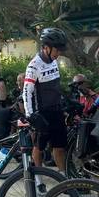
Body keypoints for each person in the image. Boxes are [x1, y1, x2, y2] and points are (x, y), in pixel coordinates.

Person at [22, 27, 68, 173]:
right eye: (57, 50)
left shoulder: (54, 61)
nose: (59, 53)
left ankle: (64, 179)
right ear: (46, 48)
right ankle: (38, 179)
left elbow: (55, 87)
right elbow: (26, 92)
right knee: (39, 148)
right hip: (41, 113)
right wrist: (30, 114)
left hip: (56, 110)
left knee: (59, 147)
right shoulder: (34, 65)